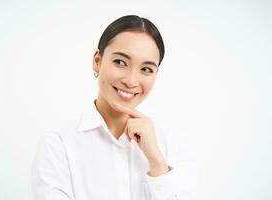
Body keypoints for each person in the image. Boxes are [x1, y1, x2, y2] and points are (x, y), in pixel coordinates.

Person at [31, 15, 196, 200]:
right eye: (120, 62)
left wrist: (156, 161)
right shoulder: (58, 145)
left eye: (146, 69)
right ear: (97, 60)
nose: (131, 81)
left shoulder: (171, 144)